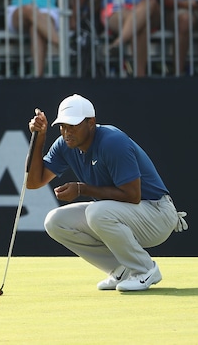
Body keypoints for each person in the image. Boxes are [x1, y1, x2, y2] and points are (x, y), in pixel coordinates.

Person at [26, 94, 187, 292]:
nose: (67, 132)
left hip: (157, 214)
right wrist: (39, 138)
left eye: (73, 126)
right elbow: (33, 182)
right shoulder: (65, 145)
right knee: (55, 221)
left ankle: (145, 270)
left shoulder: (112, 141)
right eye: (63, 126)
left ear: (91, 123)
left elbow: (132, 195)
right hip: (121, 215)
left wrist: (81, 189)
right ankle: (120, 268)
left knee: (97, 212)